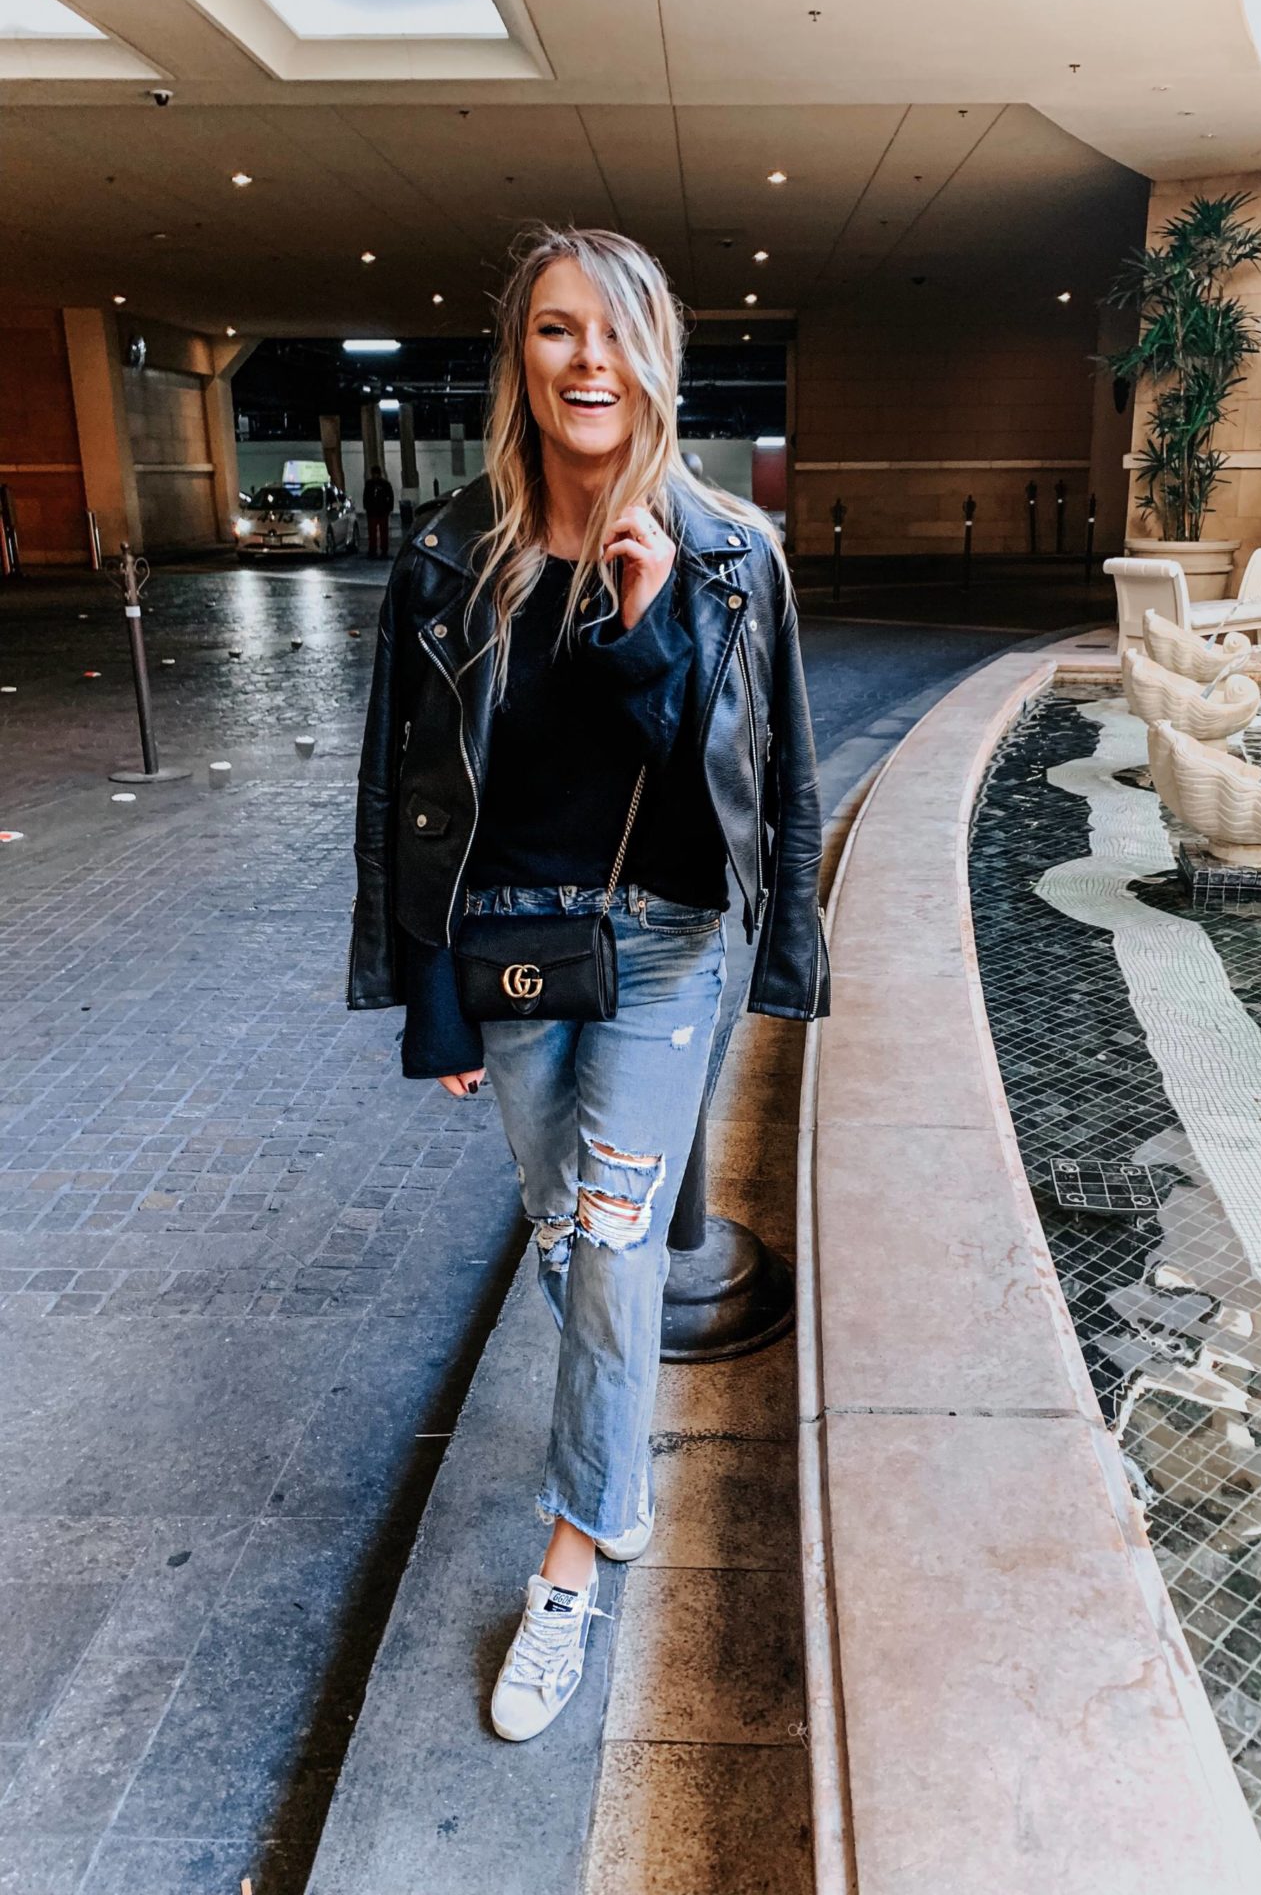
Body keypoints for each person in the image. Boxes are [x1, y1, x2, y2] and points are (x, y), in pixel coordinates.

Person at [347, 225, 829, 1742]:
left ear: (658, 359)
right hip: (508, 950)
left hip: (667, 942)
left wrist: (643, 630)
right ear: (521, 360)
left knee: (616, 1245)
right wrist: (426, 996)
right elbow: (403, 798)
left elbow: (762, 792)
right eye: (558, 332)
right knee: (566, 1234)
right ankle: (605, 1415)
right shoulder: (446, 559)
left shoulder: (733, 557)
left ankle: (577, 1556)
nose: (589, 362)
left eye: (617, 333)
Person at [362, 464, 395, 558]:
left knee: (380, 531)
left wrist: (389, 508)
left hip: (380, 511)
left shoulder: (378, 484)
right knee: (375, 531)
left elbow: (390, 496)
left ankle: (380, 549)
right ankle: (376, 548)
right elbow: (366, 498)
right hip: (376, 511)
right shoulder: (381, 484)